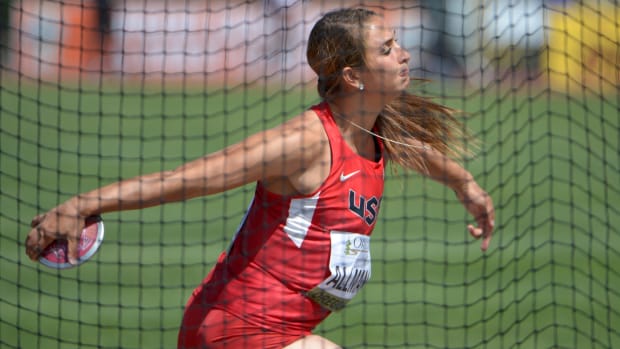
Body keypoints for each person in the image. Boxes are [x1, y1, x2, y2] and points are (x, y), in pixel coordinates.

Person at [25, 7, 495, 349]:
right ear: (354, 76)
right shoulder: (303, 143)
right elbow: (186, 179)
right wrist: (84, 204)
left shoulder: (377, 128)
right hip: (236, 330)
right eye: (388, 49)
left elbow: (420, 150)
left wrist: (465, 185)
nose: (404, 54)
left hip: (283, 333)